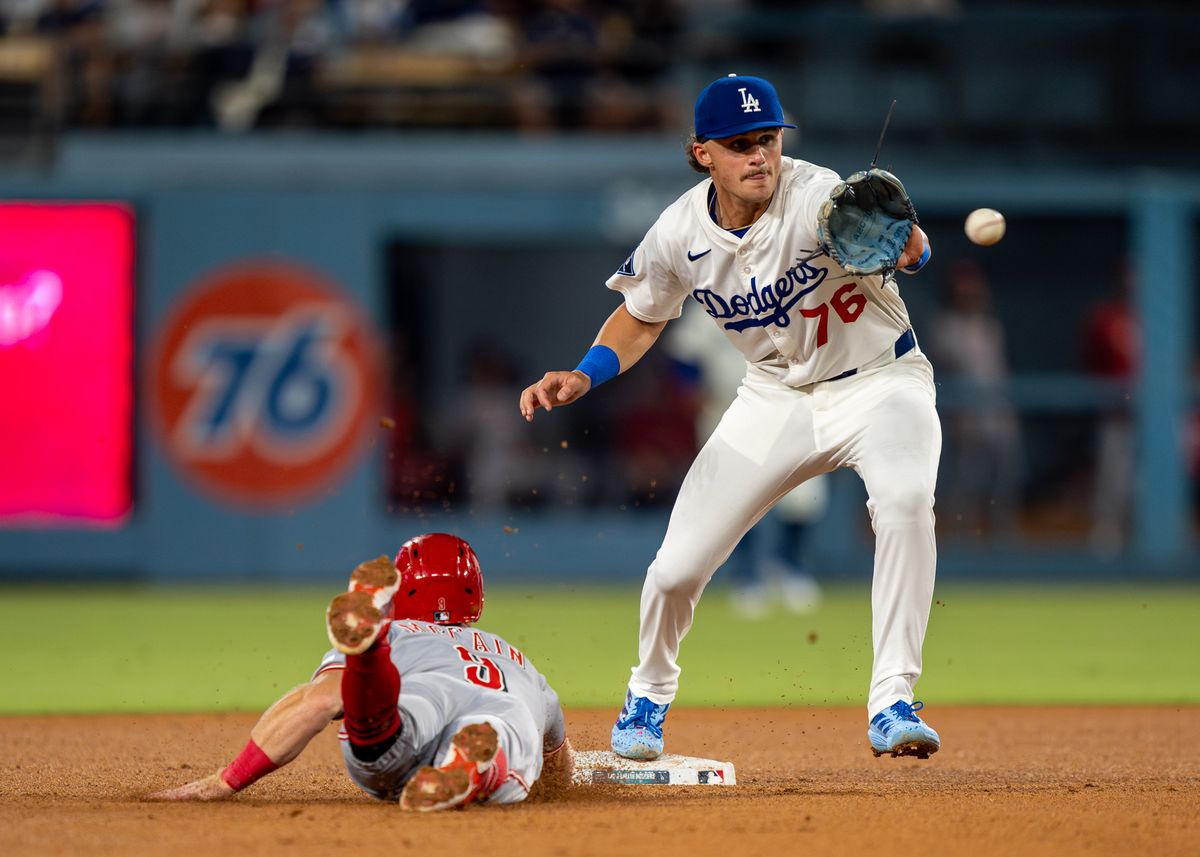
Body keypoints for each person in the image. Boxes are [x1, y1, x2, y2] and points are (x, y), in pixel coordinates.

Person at [519, 74, 942, 760]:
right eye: (740, 144)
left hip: (881, 381)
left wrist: (912, 245)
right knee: (675, 568)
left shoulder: (816, 196)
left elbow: (912, 251)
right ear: (701, 154)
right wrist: (583, 372)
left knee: (905, 501)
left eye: (768, 140)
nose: (760, 156)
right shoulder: (680, 232)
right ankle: (647, 695)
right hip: (774, 397)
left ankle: (893, 698)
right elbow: (640, 315)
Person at [149, 533, 573, 811]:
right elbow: (558, 765)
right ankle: (474, 766)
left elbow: (318, 701)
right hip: (502, 705)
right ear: (476, 594)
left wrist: (228, 780)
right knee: (503, 729)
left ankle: (369, 658)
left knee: (394, 721)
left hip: (407, 714)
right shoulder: (516, 658)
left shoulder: (403, 632)